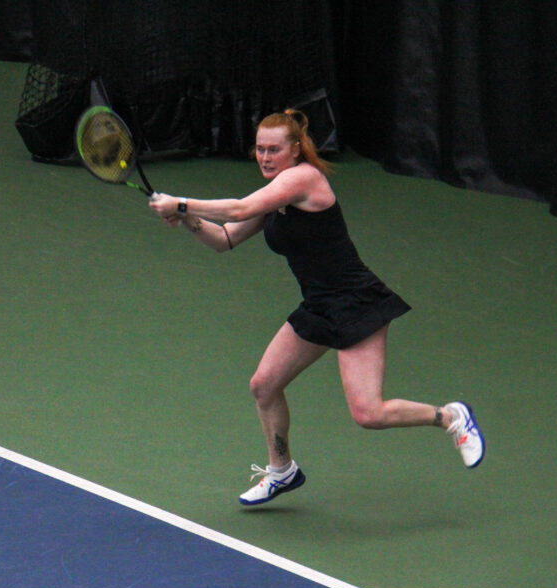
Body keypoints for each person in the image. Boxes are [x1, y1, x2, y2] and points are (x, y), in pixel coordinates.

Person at [148, 109, 485, 506]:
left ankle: (450, 418)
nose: (265, 157)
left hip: (356, 303)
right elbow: (224, 239)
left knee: (368, 413)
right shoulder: (274, 195)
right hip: (319, 305)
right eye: (259, 149)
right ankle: (282, 471)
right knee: (264, 385)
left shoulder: (304, 179)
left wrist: (182, 203)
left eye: (274, 149)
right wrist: (186, 220)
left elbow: (238, 209)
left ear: (295, 150)